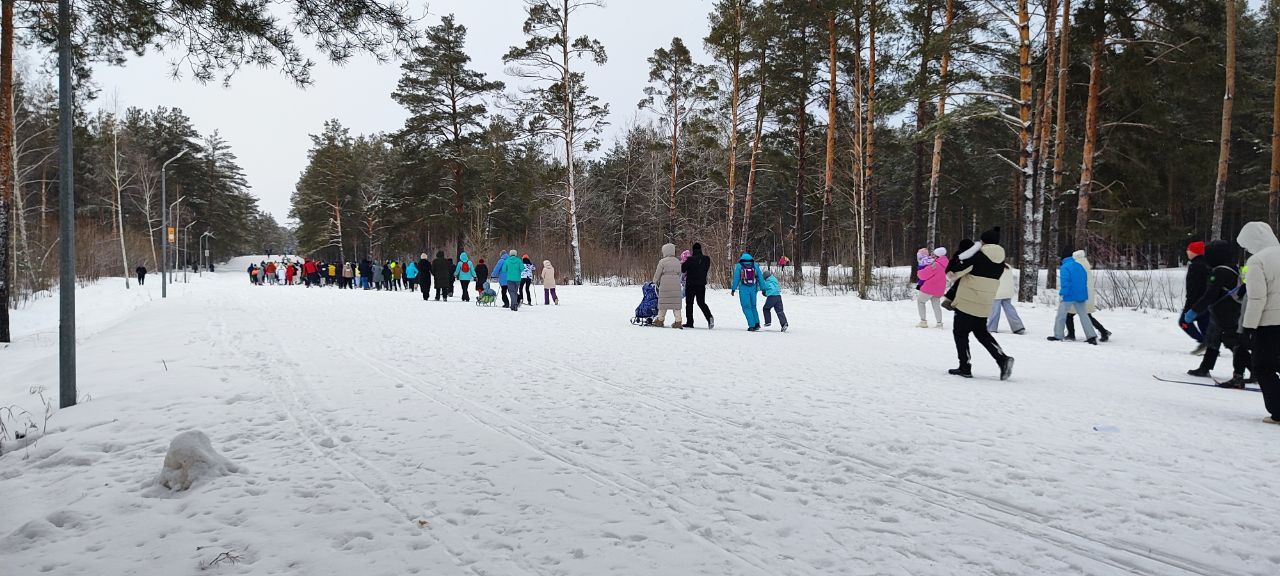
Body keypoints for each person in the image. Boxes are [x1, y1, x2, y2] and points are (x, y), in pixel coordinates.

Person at [946, 228, 1014, 380]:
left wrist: (960, 255)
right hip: (984, 302)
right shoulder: (1000, 260)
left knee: (960, 333)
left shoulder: (977, 256)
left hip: (967, 300)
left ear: (983, 242)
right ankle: (1002, 359)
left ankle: (965, 366)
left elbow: (953, 273)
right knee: (981, 332)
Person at [1184, 239, 1252, 387]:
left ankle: (1255, 370)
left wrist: (1193, 311)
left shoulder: (1220, 271)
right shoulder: (1231, 267)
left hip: (1227, 313)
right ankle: (1205, 367)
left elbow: (1210, 295)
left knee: (1232, 342)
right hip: (1222, 312)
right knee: (1212, 339)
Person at [1237, 222, 1280, 424]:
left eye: (1246, 245)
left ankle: (1278, 411)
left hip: (1269, 323)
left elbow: (1257, 299)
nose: (1247, 250)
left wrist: (1248, 328)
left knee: (1263, 366)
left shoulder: (1257, 261)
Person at [1048, 246, 1098, 344]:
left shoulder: (1065, 267)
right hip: (1080, 294)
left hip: (1069, 295)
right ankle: (1091, 336)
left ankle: (1058, 335)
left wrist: (1063, 294)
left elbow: (1065, 282)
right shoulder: (1079, 265)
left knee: (1061, 316)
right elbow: (1084, 280)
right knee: (1084, 315)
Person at [1065, 249, 1111, 342]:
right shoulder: (1085, 265)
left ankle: (1071, 335)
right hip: (1086, 295)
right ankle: (1103, 331)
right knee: (1083, 315)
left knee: (1070, 315)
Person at [1182, 240, 1212, 354]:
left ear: (1195, 252)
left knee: (1183, 322)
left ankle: (1203, 342)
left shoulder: (1195, 266)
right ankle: (1210, 346)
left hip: (1195, 302)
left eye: (1189, 250)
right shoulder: (1207, 265)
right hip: (1206, 301)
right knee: (1204, 321)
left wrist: (1189, 304)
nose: (1187, 252)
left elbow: (1192, 287)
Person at [682, 242, 714, 329]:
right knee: (701, 302)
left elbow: (683, 269)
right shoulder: (707, 259)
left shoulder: (690, 259)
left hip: (690, 284)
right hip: (701, 284)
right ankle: (709, 317)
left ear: (693, 250)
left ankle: (690, 322)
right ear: (700, 249)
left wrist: (685, 262)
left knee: (689, 303)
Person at [987, 262, 1025, 334]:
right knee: (1010, 310)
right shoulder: (1008, 266)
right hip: (1007, 292)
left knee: (994, 311)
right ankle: (1018, 327)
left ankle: (991, 328)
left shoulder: (992, 266)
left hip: (997, 292)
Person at [652, 243, 683, 328]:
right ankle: (678, 321)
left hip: (665, 284)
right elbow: (680, 273)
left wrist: (654, 281)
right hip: (676, 283)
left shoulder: (662, 262)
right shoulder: (677, 261)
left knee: (663, 302)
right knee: (676, 304)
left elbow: (657, 273)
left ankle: (660, 320)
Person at [916, 247, 948, 328]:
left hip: (929, 288)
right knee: (936, 305)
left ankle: (923, 322)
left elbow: (922, 275)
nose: (932, 256)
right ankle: (939, 323)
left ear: (937, 256)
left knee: (920, 301)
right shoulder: (946, 264)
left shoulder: (935, 264)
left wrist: (919, 271)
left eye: (934, 254)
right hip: (940, 289)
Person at [731, 252, 763, 331]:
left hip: (744, 288)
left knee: (746, 307)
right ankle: (757, 323)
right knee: (753, 306)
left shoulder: (739, 266)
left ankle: (751, 325)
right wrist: (763, 288)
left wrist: (733, 289)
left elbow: (736, 278)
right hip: (753, 288)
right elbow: (761, 278)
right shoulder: (755, 265)